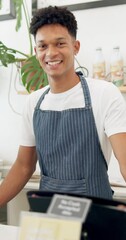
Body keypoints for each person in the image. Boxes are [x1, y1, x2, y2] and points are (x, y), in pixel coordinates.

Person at [0, 6, 126, 206]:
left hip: (96, 216)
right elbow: (24, 166)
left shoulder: (104, 93)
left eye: (60, 43)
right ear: (36, 51)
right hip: (50, 219)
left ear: (75, 46)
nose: (51, 53)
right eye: (43, 46)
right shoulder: (34, 102)